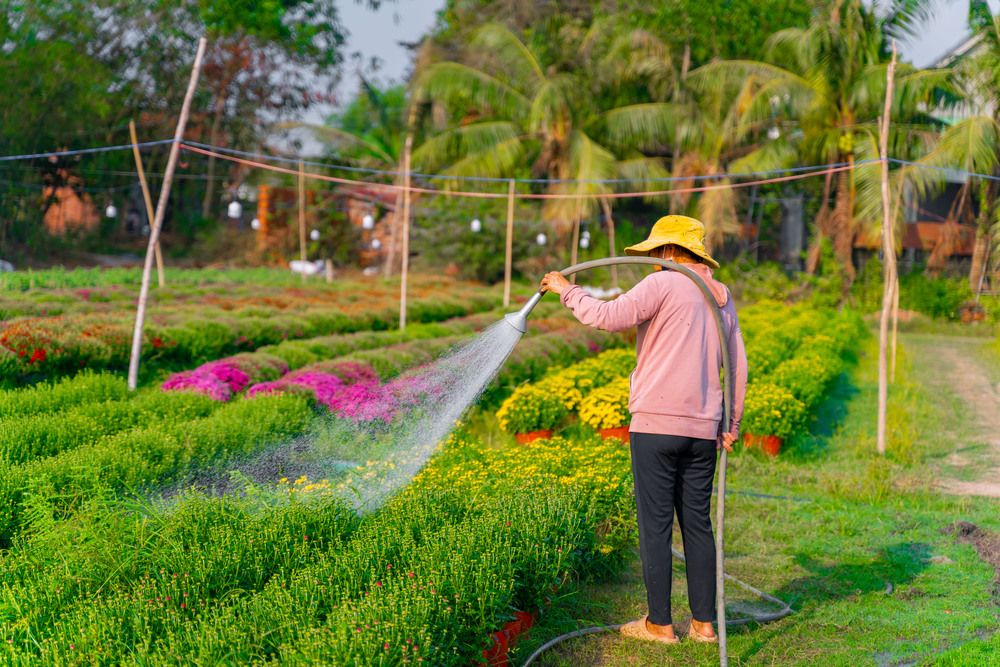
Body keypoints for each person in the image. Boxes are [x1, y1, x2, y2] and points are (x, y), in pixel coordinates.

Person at [540, 214, 747, 645]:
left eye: (657, 251)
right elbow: (737, 365)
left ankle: (660, 624)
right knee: (697, 523)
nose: (654, 259)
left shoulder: (663, 283)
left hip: (656, 424)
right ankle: (704, 624)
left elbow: (607, 316)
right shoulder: (721, 296)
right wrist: (731, 423)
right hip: (703, 428)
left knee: (655, 525)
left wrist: (566, 290)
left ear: (671, 251)